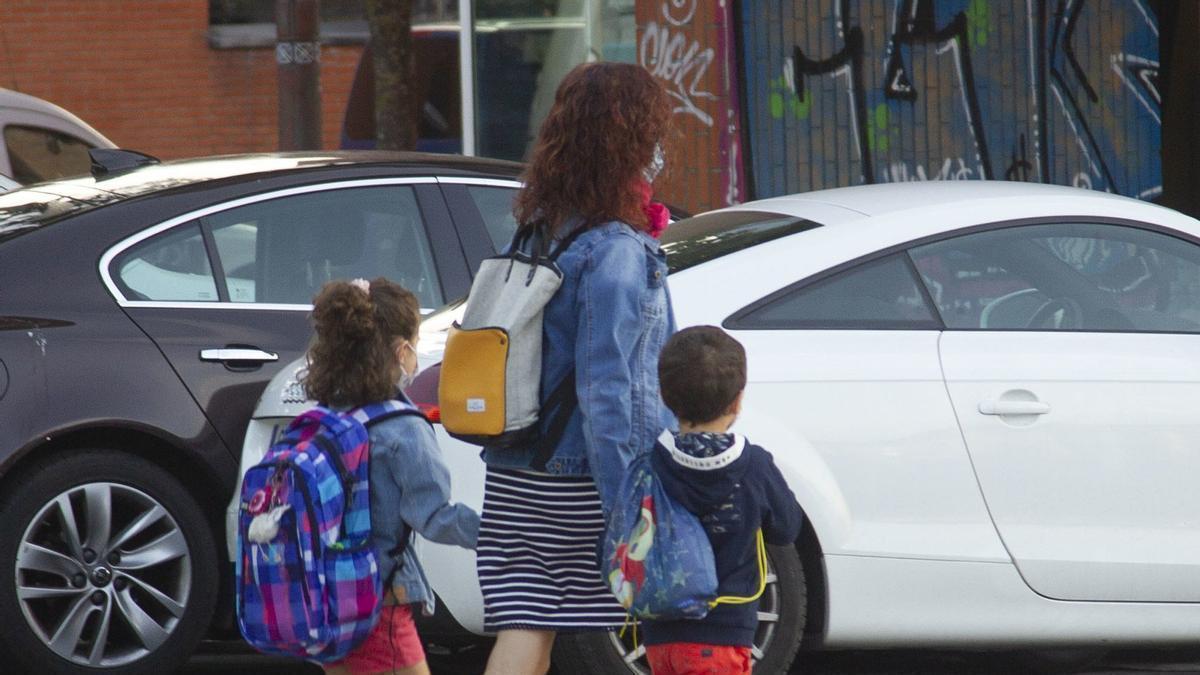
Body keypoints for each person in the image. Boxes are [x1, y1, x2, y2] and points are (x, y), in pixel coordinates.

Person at [477, 62, 675, 675]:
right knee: (536, 625)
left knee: (528, 625)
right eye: (654, 135)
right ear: (631, 141)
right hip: (575, 475)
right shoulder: (614, 249)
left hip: (517, 461)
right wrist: (630, 499)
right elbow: (611, 389)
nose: (660, 150)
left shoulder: (541, 227)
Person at [303, 277, 480, 675]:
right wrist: (499, 534)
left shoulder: (325, 417)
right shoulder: (402, 428)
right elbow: (434, 517)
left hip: (325, 593)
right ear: (402, 352)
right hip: (379, 600)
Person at [642, 326, 804, 675]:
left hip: (659, 637)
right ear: (737, 400)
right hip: (724, 635)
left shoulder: (650, 463)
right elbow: (787, 527)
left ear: (664, 396)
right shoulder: (754, 465)